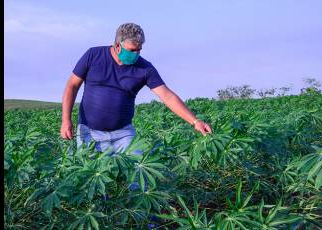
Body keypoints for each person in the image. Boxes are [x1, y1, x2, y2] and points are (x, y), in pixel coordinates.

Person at [60, 22, 213, 156]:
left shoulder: (144, 68)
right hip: (90, 133)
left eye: (139, 49)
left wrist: (195, 121)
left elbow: (167, 96)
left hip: (124, 134)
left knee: (138, 176)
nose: (136, 54)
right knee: (93, 182)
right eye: (132, 50)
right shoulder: (93, 55)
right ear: (117, 45)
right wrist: (66, 120)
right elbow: (72, 86)